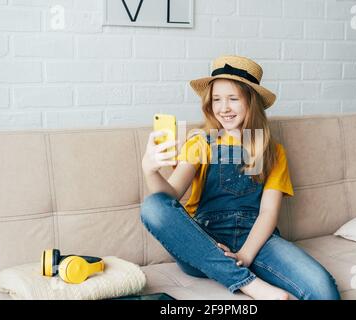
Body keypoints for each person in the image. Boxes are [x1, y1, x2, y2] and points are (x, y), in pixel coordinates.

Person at [140, 55, 341, 300]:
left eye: (233, 99)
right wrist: (150, 170)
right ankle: (250, 285)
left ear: (251, 102)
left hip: (256, 240)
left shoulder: (272, 152)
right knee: (152, 205)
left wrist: (245, 255)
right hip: (203, 242)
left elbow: (268, 213)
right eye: (216, 100)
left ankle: (239, 272)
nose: (223, 108)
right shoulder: (201, 142)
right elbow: (170, 195)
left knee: (323, 289)